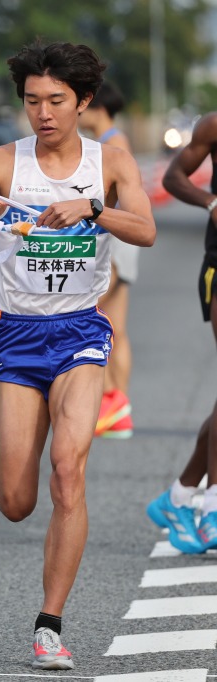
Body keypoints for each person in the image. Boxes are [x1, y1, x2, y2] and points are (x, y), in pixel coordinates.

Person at [0, 41, 154, 670]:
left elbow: (147, 229)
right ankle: (31, 447)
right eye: (32, 101)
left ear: (82, 101)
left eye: (56, 100)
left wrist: (97, 209)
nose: (44, 113)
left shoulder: (108, 163)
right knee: (16, 501)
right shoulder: (3, 162)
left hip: (81, 328)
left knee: (68, 470)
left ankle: (49, 624)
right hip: (17, 334)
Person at [146, 111, 217, 555]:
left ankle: (177, 496)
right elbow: (173, 177)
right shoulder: (213, 126)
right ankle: (211, 506)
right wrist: (211, 204)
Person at [79, 81, 139, 438]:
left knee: (93, 315)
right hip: (118, 242)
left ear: (97, 107)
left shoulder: (112, 144)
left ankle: (108, 401)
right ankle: (117, 408)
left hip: (115, 242)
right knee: (115, 325)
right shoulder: (113, 139)